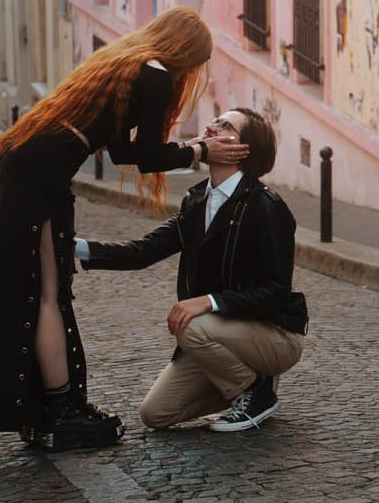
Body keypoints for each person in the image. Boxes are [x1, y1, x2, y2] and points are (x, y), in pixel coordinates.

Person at [0, 6, 247, 450]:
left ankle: (49, 408)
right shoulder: (156, 75)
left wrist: (191, 148)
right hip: (37, 175)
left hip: (25, 163)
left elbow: (120, 152)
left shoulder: (129, 61)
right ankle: (61, 411)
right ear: (186, 54)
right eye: (195, 64)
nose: (191, 73)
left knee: (41, 291)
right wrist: (201, 152)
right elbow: (147, 158)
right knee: (45, 294)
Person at [77, 108, 308, 432]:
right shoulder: (196, 200)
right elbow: (142, 252)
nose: (212, 126)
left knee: (190, 324)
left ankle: (254, 392)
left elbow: (276, 292)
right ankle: (247, 382)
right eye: (215, 120)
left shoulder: (267, 206)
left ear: (243, 150)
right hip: (221, 331)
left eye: (225, 125)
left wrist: (209, 302)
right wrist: (71, 247)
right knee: (155, 413)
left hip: (274, 334)